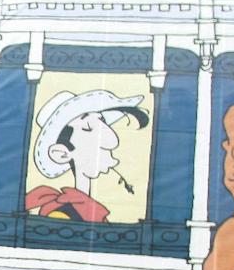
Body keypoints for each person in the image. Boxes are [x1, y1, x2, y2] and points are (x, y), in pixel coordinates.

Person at [24, 89, 149, 222]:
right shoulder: (62, 213)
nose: (112, 141)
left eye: (102, 121)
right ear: (62, 154)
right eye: (88, 127)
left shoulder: (91, 209)